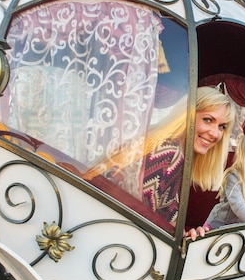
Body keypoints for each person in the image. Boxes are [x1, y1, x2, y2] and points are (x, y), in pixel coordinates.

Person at [84, 86, 236, 239]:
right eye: (208, 120)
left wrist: (185, 235)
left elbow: (162, 217)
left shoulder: (161, 144)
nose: (215, 134)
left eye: (222, 127)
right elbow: (142, 224)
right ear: (185, 115)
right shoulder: (168, 152)